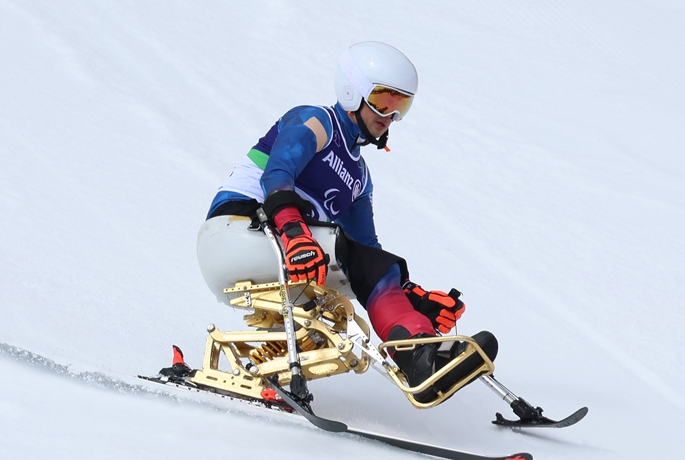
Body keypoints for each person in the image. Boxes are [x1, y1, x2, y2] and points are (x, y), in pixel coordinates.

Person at [198, 41, 496, 402]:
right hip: (237, 230)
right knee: (354, 258)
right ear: (352, 91)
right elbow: (277, 174)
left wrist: (410, 298)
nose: (389, 116)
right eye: (383, 100)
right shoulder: (316, 120)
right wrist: (294, 231)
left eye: (401, 105)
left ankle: (420, 345)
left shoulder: (359, 177)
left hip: (290, 249)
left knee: (364, 265)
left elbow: (366, 254)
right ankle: (415, 355)